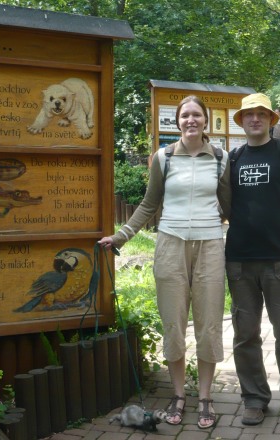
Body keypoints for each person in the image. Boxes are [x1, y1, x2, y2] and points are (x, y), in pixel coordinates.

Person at [99, 95, 231, 429]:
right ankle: (178, 395)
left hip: (210, 246)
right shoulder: (164, 157)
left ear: (206, 120)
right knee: (173, 322)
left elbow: (231, 206)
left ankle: (205, 398)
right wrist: (121, 236)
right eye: (185, 115)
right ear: (177, 121)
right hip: (170, 245)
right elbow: (148, 204)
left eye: (196, 115)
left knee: (209, 324)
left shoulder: (220, 158)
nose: (191, 120)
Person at [227, 93, 280, 426]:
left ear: (270, 120)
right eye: (249, 114)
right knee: (245, 335)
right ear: (241, 121)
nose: (255, 119)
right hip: (239, 262)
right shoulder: (233, 158)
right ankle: (254, 399)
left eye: (261, 114)